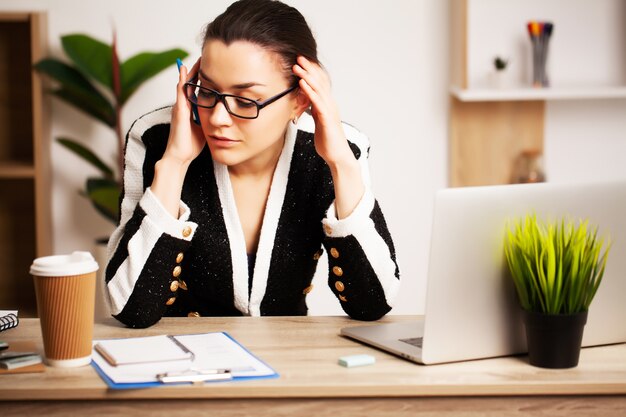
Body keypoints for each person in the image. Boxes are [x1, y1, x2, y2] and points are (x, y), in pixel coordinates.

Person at [105, 0, 400, 328]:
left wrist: (341, 163)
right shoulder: (158, 138)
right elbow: (132, 308)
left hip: (287, 361)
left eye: (245, 100)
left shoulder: (335, 149)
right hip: (182, 362)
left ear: (300, 99)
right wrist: (174, 163)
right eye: (206, 91)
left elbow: (373, 303)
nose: (217, 118)